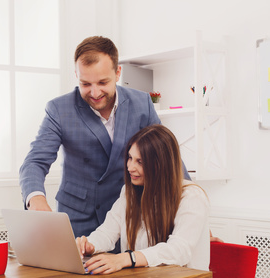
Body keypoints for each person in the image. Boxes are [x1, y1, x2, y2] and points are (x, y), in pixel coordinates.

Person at [19, 36, 191, 239]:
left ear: (118, 73)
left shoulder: (142, 103)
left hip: (129, 217)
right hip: (77, 220)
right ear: (76, 75)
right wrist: (36, 199)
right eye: (85, 83)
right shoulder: (59, 109)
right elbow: (35, 162)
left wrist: (192, 215)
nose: (94, 92)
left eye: (102, 82)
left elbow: (168, 158)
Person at [75, 124, 210, 274]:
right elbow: (107, 232)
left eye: (140, 162)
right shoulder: (129, 192)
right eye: (130, 158)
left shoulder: (191, 196)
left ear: (161, 165)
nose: (130, 167)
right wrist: (90, 244)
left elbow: (178, 250)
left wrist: (127, 258)